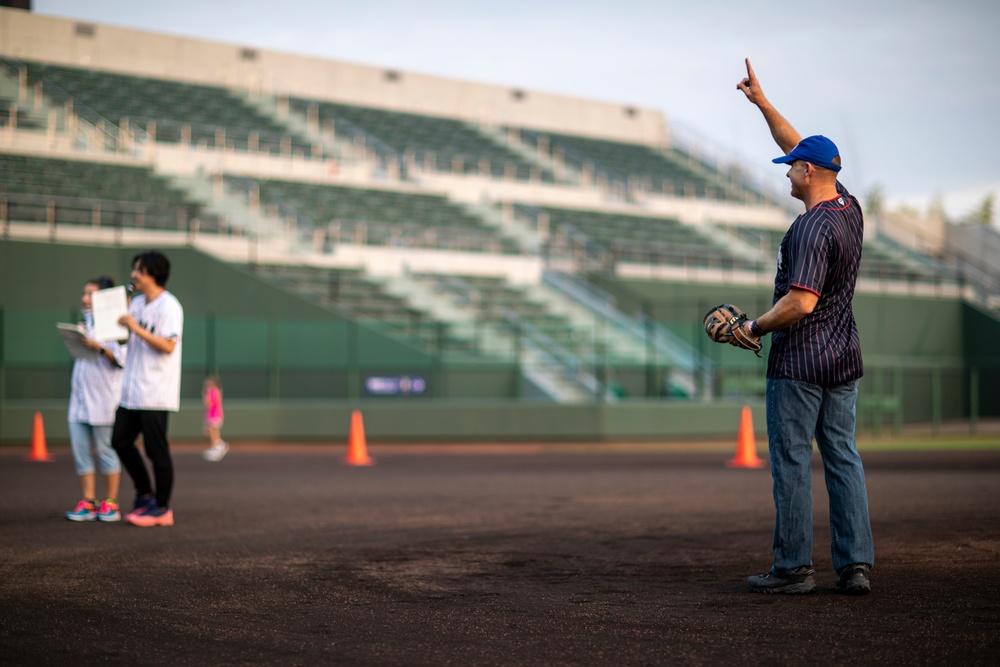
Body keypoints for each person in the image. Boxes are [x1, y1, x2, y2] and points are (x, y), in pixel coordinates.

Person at [733, 59, 874, 595]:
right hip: (844, 359)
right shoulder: (849, 207)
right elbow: (803, 145)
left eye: (793, 167)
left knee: (791, 462)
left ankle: (792, 568)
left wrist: (754, 325)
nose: (788, 170)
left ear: (809, 174)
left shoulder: (810, 228)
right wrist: (764, 105)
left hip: (800, 363)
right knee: (843, 458)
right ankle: (855, 565)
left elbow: (801, 302)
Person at [111, 250, 184, 528]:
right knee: (119, 440)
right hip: (131, 391)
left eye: (139, 270)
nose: (134, 275)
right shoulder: (136, 304)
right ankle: (144, 494)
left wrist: (134, 328)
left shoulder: (169, 306)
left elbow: (168, 345)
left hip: (155, 392)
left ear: (153, 274)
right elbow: (123, 341)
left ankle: (163, 507)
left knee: (156, 451)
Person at [65, 276, 127, 522]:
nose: (84, 299)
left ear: (104, 297)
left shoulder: (116, 325)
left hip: (104, 399)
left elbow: (121, 360)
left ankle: (110, 503)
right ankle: (88, 502)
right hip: (79, 397)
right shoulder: (86, 322)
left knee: (105, 450)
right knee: (81, 451)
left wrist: (99, 347)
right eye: (84, 293)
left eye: (90, 294)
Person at [201, 376, 229, 462]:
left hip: (214, 415)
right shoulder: (213, 391)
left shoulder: (213, 392)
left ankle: (218, 447)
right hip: (211, 415)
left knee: (213, 431)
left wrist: (204, 395)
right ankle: (218, 446)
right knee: (209, 431)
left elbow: (208, 403)